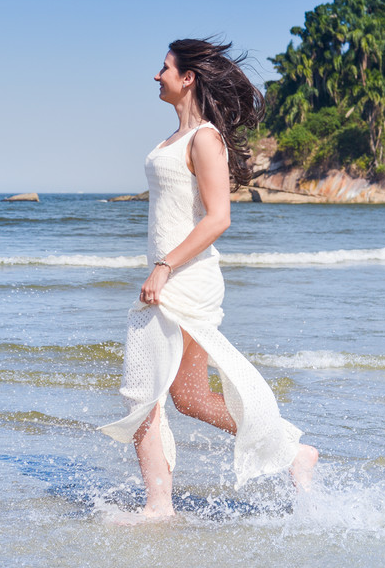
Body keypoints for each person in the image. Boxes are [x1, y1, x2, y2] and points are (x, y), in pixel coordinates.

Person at [99, 37, 318, 518]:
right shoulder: (173, 140)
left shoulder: (205, 138)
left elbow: (219, 218)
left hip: (181, 279)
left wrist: (164, 266)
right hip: (173, 275)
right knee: (191, 397)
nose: (157, 76)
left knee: (143, 393)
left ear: (188, 78)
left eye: (164, 68)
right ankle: (292, 453)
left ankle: (159, 505)